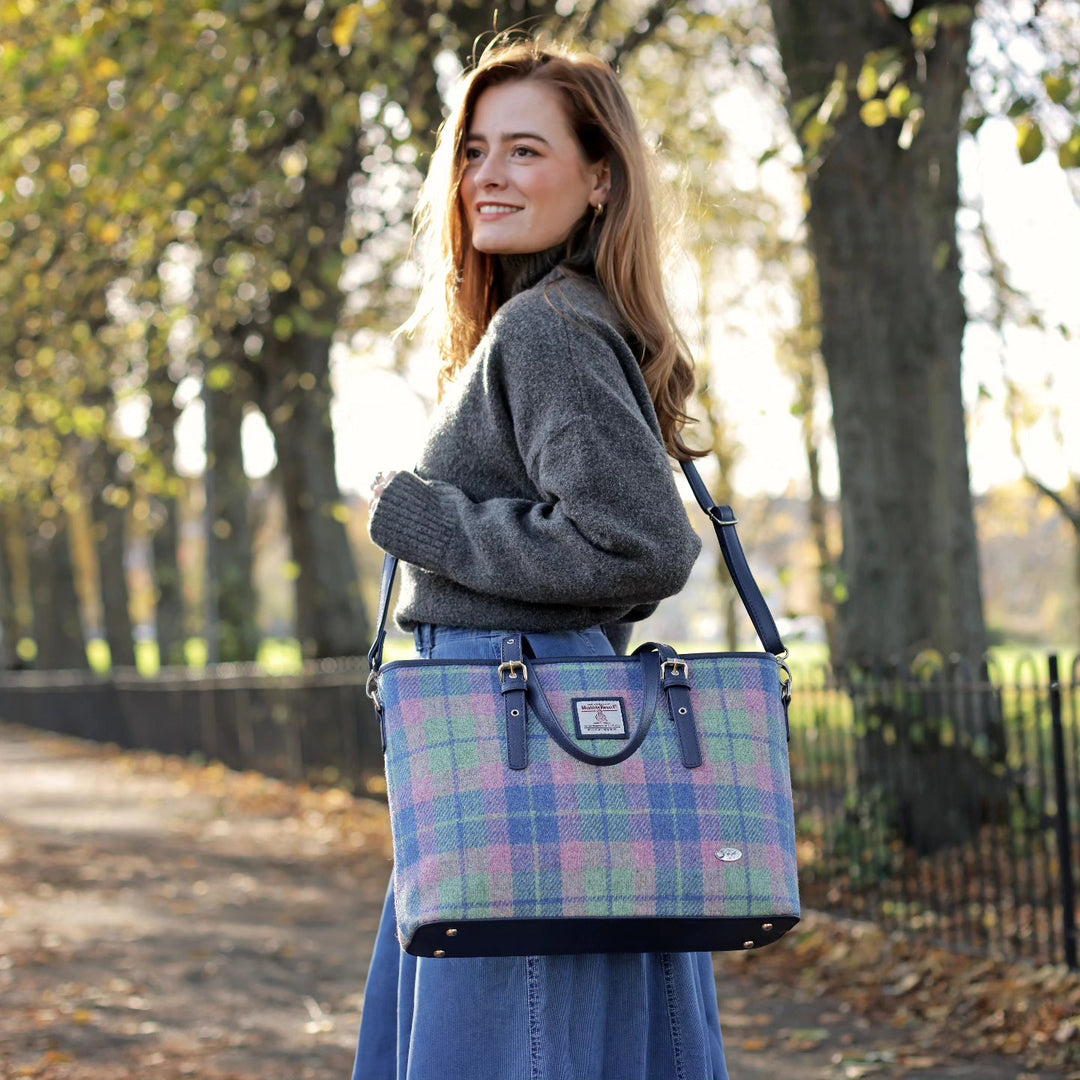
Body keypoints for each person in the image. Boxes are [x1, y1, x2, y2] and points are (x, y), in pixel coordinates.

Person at [353, 36, 728, 1080]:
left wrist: (418, 521)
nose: (489, 176)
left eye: (526, 150)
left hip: (522, 742)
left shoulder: (548, 328)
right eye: (475, 151)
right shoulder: (545, 321)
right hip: (527, 737)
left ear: (599, 177)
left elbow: (638, 546)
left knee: (515, 1043)